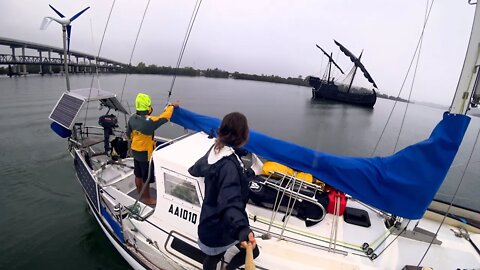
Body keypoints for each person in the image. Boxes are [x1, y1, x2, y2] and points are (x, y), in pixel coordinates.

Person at [188, 112, 259, 270]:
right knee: (254, 252)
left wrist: (192, 170)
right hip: (224, 226)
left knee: (213, 257)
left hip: (209, 222)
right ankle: (230, 268)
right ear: (243, 137)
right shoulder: (229, 166)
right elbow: (230, 202)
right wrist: (242, 229)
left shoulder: (215, 151)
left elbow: (198, 167)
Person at [126, 93, 179, 205]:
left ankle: (140, 192)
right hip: (145, 154)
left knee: (138, 174)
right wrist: (172, 106)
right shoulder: (150, 122)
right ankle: (147, 198)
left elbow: (128, 134)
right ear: (147, 107)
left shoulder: (132, 119)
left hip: (135, 151)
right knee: (146, 177)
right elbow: (165, 117)